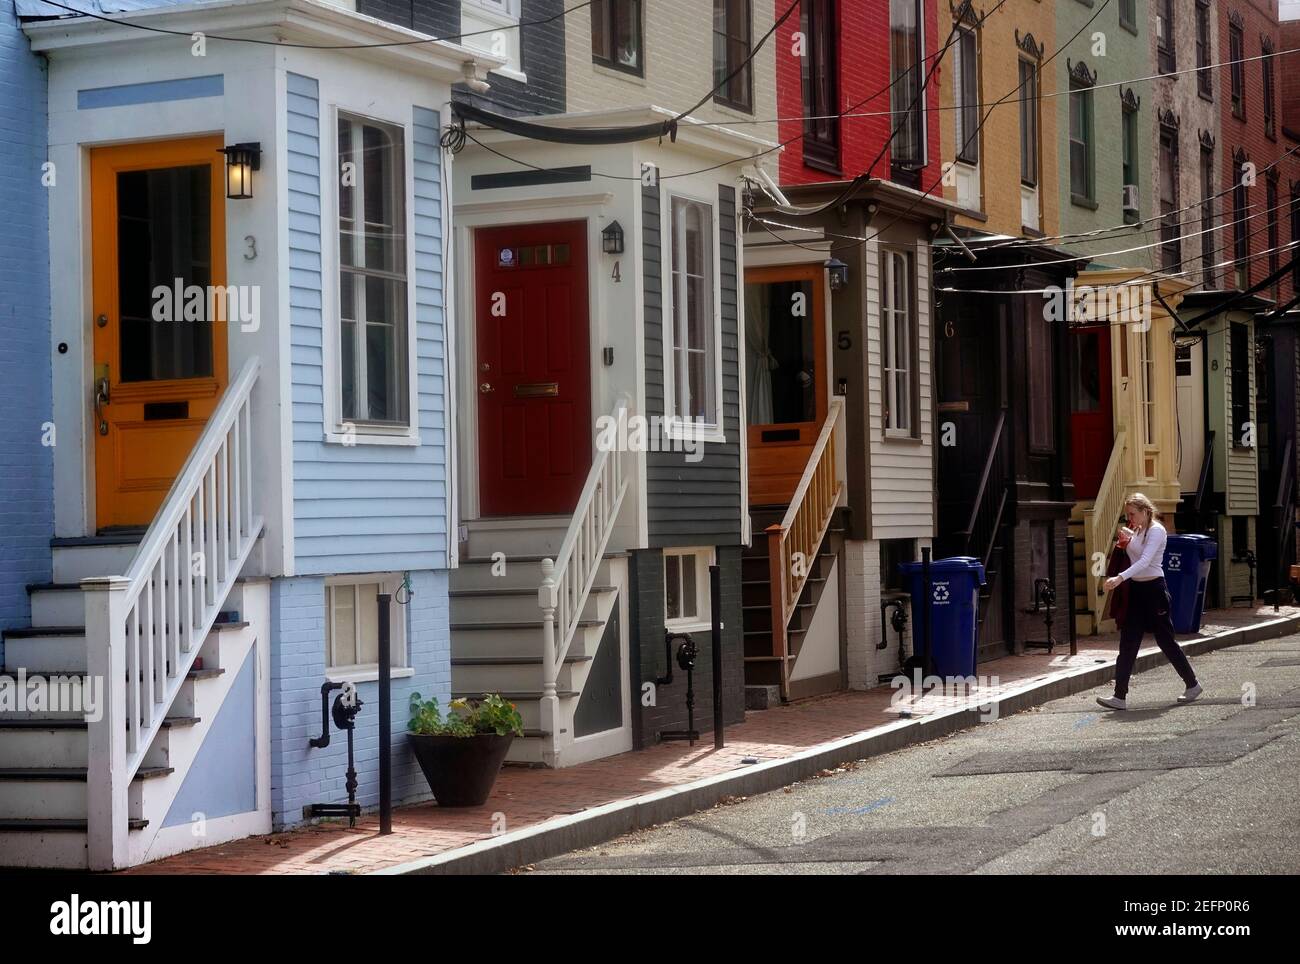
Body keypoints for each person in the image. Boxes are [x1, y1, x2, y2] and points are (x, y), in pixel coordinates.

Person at [1096, 493, 1203, 710]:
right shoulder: (1136, 530)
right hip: (1136, 591)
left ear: (1145, 511)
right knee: (1128, 642)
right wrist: (1125, 542)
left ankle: (1192, 684)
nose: (1130, 518)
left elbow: (1145, 561)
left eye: (1132, 514)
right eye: (1128, 514)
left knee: (1165, 641)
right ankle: (1119, 696)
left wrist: (1119, 578)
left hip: (1154, 591)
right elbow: (1133, 557)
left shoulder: (1157, 530)